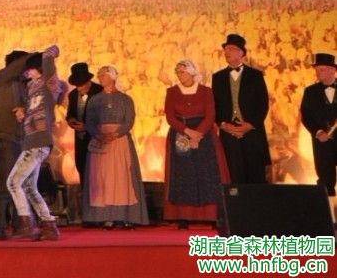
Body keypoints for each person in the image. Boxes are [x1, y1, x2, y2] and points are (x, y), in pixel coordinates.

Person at [6, 45, 65, 241]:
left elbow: (50, 53)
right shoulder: (32, 88)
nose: (27, 72)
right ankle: (49, 226)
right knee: (29, 187)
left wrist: (44, 56)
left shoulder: (49, 85)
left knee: (13, 182)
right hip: (32, 141)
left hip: (38, 142)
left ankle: (27, 223)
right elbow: (36, 112)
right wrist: (23, 114)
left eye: (29, 68)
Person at [162, 59, 229, 228]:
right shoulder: (172, 92)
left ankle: (213, 215)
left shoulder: (206, 91)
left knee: (208, 172)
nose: (179, 74)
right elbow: (170, 117)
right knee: (183, 173)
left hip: (204, 134)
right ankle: (183, 216)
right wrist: (188, 132)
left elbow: (210, 115)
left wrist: (198, 134)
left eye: (182, 71)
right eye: (177, 72)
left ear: (192, 72)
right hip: (181, 134)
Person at [82, 65, 149, 229]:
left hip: (119, 141)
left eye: (103, 75)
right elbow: (89, 121)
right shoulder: (95, 100)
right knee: (102, 178)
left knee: (121, 177)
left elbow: (129, 120)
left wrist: (116, 134)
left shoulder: (125, 99)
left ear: (112, 77)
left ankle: (124, 216)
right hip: (101, 142)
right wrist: (99, 135)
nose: (100, 78)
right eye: (99, 75)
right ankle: (106, 216)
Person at [211, 33, 270, 183]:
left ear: (241, 53)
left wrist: (250, 125)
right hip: (228, 134)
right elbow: (214, 104)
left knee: (255, 176)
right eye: (226, 49)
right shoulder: (217, 77)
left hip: (252, 133)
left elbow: (262, 104)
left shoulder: (256, 75)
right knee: (232, 176)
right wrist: (224, 125)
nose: (227, 52)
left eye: (231, 48)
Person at [0, 48, 30, 240]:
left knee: (20, 183)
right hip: (5, 139)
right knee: (5, 183)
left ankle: (21, 225)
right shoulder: (1, 79)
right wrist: (39, 56)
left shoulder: (23, 85)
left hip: (20, 139)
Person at [299, 52, 337, 198]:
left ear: (332, 70)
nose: (317, 73)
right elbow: (306, 116)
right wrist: (318, 132)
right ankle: (328, 210)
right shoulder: (310, 92)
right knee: (325, 181)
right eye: (316, 70)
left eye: (321, 69)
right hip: (322, 143)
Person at [65, 62, 102, 196]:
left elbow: (104, 116)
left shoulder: (100, 92)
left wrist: (87, 126)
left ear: (88, 81)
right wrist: (71, 121)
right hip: (80, 139)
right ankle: (86, 197)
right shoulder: (73, 95)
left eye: (81, 85)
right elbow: (70, 113)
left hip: (97, 139)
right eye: (77, 85)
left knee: (97, 170)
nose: (79, 88)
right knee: (82, 165)